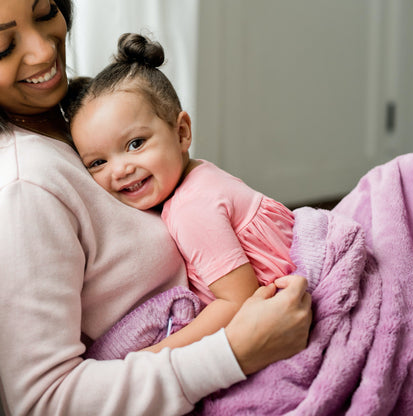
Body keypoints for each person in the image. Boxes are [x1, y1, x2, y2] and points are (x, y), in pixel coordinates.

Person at [0, 1, 312, 415]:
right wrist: (236, 351)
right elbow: (44, 402)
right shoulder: (28, 185)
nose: (42, 51)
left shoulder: (73, 116)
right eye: (3, 45)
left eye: (44, 13)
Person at [69, 32, 301, 353]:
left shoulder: (191, 208)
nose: (120, 169)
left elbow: (238, 301)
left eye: (135, 144)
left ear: (181, 132)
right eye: (98, 162)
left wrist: (151, 358)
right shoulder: (196, 177)